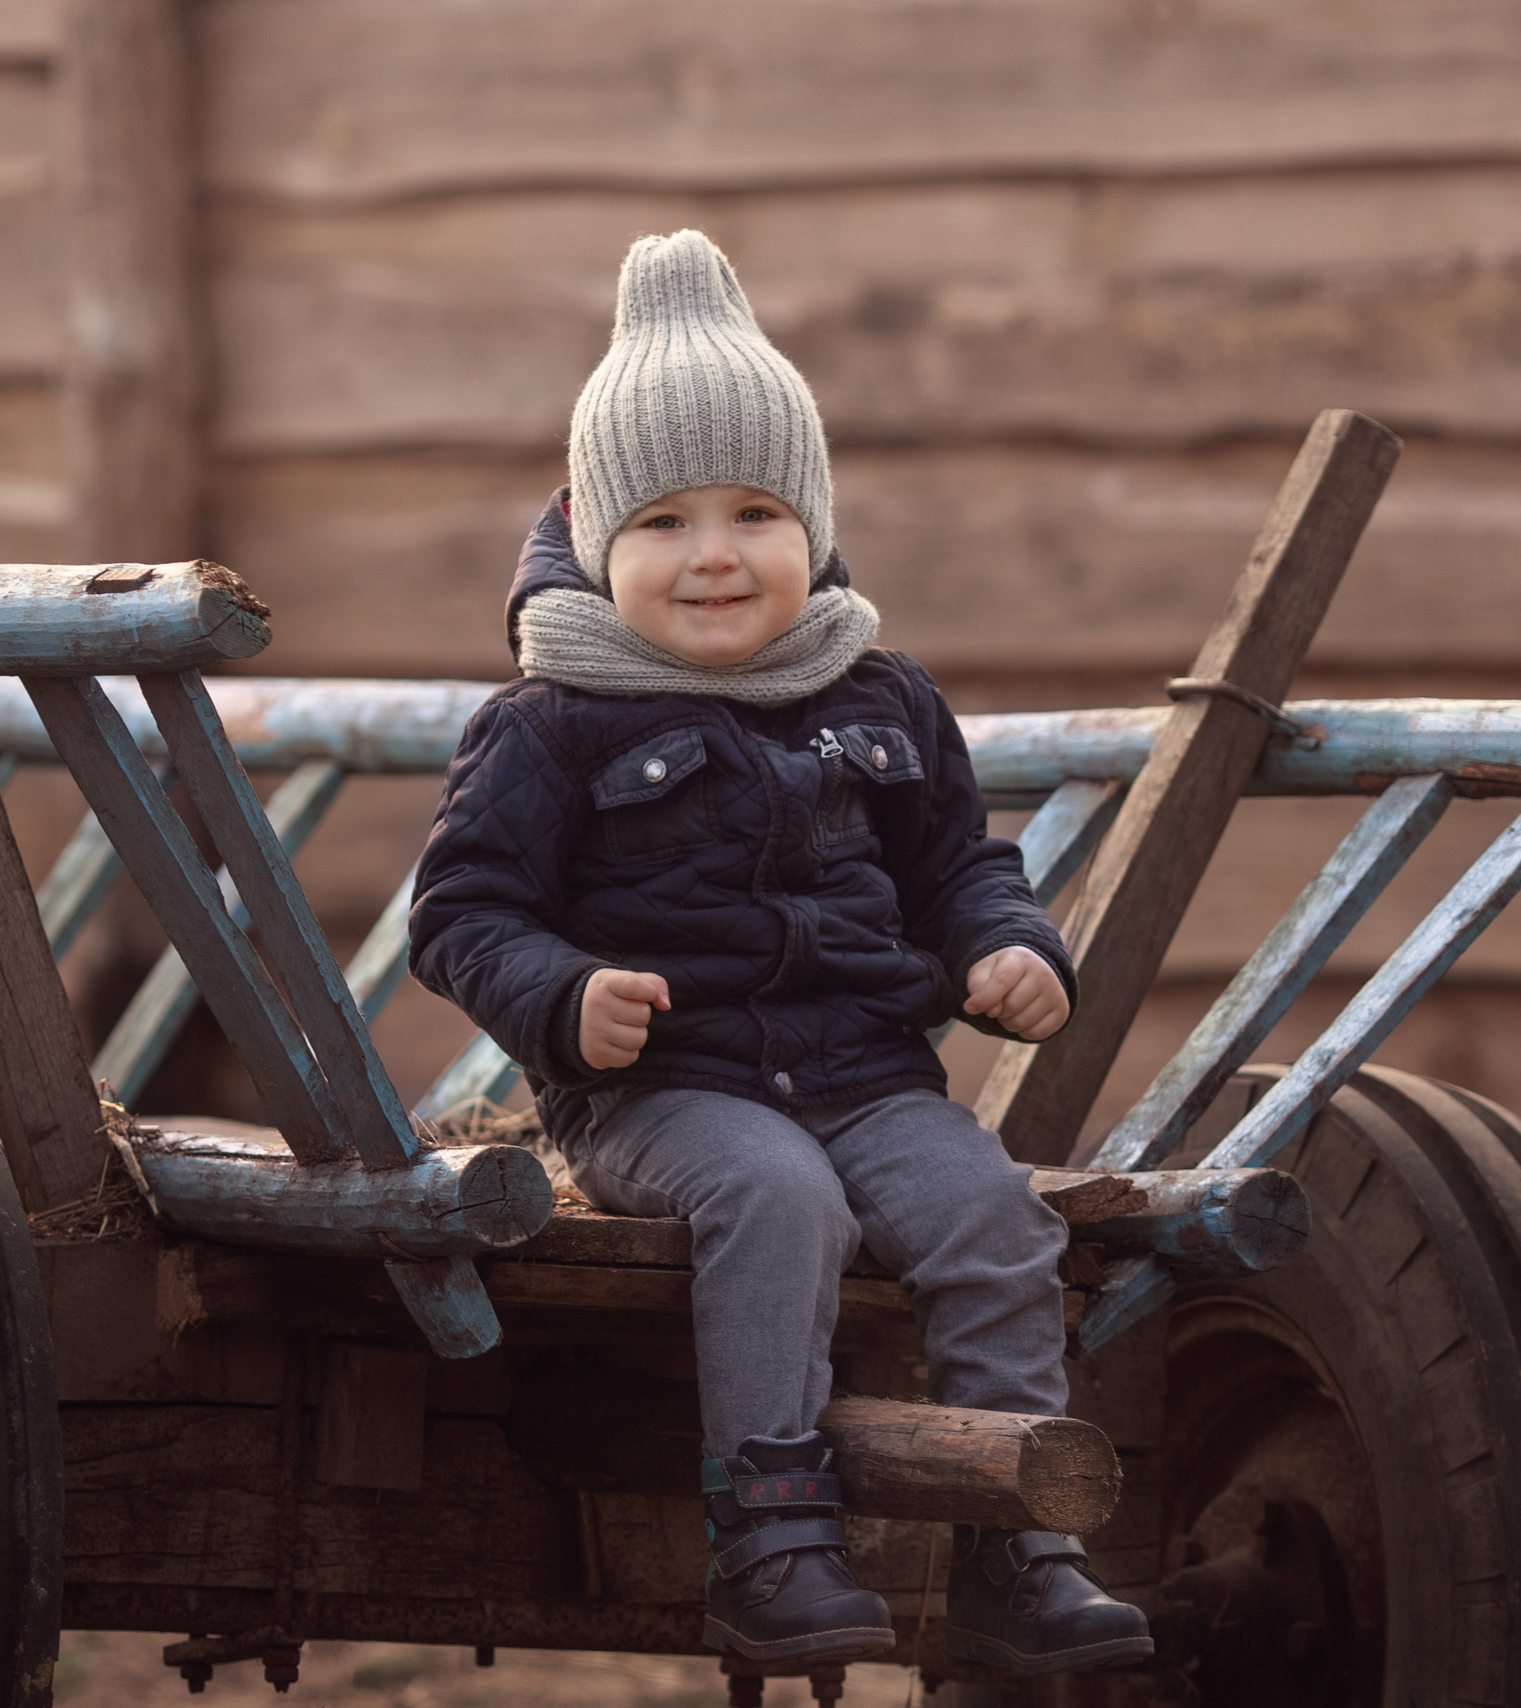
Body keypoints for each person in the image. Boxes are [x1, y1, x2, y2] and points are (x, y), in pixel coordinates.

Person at [407, 229, 1152, 1677]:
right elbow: (462, 915)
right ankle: (769, 1536)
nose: (714, 557)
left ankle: (1019, 1545)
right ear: (595, 537)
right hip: (663, 1099)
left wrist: (1006, 949)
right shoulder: (549, 721)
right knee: (779, 1197)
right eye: (666, 523)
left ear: (811, 526)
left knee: (995, 1214)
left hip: (870, 1075)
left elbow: (956, 871)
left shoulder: (879, 694)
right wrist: (564, 999)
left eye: (755, 512)